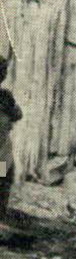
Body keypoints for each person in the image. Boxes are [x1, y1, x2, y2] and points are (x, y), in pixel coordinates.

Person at [0, 55, 21, 223]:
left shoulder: (6, 97)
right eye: (3, 70)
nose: (4, 74)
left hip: (2, 153)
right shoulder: (6, 97)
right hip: (1, 155)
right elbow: (17, 114)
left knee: (2, 182)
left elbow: (17, 115)